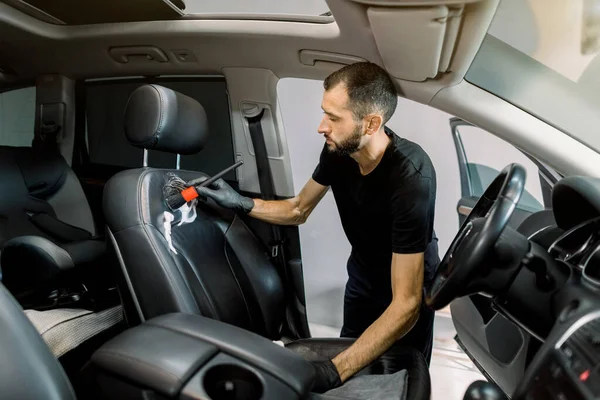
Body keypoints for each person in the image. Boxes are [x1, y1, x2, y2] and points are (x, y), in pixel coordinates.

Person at [196, 62, 440, 393]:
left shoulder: (411, 177)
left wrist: (333, 370)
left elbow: (406, 303)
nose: (321, 127)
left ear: (371, 123)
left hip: (407, 289)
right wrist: (238, 201)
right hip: (363, 278)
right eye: (324, 113)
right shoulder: (339, 152)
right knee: (351, 372)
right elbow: (298, 209)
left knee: (396, 380)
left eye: (334, 118)